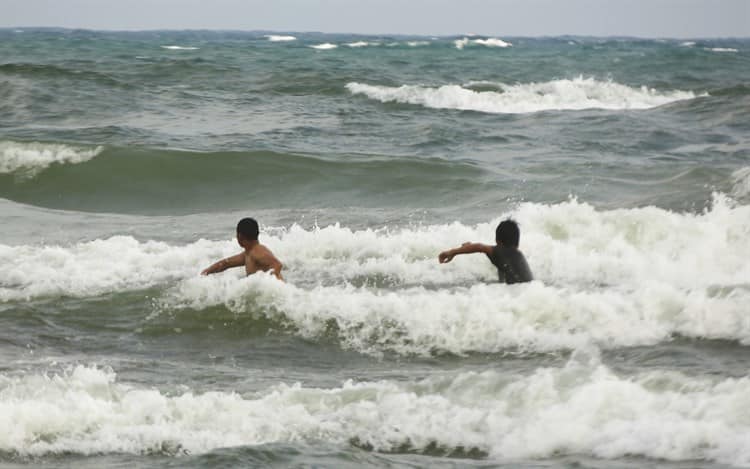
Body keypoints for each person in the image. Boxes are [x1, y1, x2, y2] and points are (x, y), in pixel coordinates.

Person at [438, 219, 532, 284]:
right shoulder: (518, 255)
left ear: (497, 241)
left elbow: (480, 247)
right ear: (517, 243)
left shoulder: (500, 252)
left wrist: (452, 252)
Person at [201, 217, 284, 281]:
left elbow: (277, 264)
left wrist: (268, 283)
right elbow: (226, 263)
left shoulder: (258, 251)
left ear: (240, 236)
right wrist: (206, 272)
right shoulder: (248, 253)